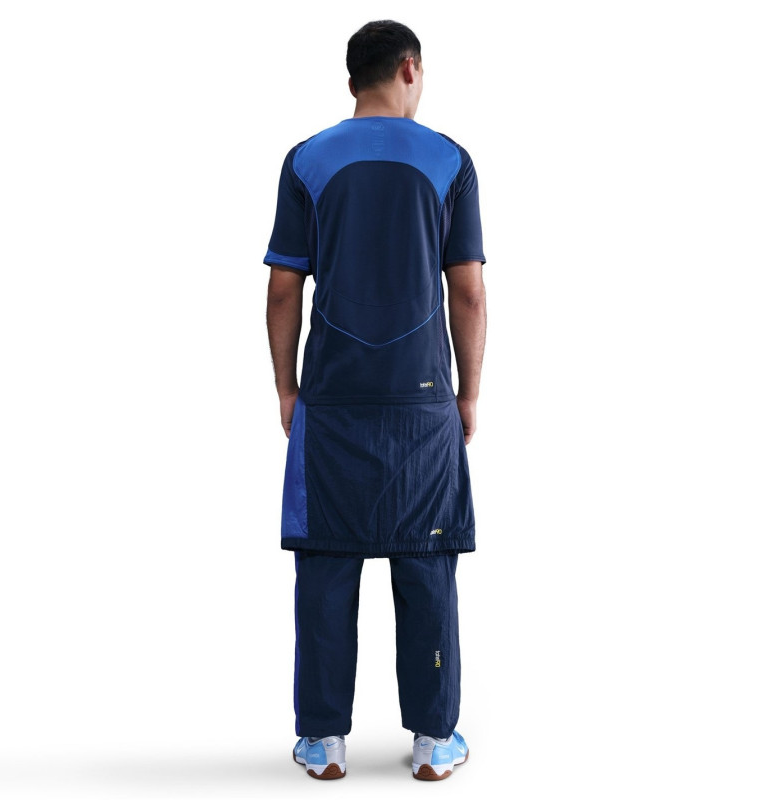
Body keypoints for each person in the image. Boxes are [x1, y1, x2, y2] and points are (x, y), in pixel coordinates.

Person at [264, 20, 486, 781]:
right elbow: (468, 292)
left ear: (352, 79)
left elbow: (283, 288)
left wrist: (287, 388)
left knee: (327, 564)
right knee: (425, 565)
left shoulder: (307, 159)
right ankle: (433, 741)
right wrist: (467, 395)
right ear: (409, 68)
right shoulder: (450, 160)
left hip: (331, 400)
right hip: (423, 402)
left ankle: (323, 742)